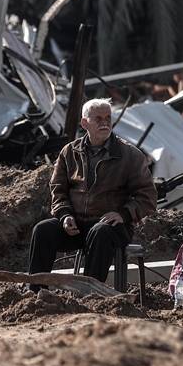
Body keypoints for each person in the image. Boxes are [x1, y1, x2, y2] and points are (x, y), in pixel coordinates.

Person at [28, 98, 156, 284]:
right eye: (98, 118)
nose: (105, 123)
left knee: (100, 232)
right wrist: (65, 215)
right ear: (84, 123)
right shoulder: (69, 152)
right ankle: (36, 292)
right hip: (77, 225)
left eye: (108, 118)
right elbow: (58, 190)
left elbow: (148, 196)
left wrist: (124, 214)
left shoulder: (130, 155)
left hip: (112, 227)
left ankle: (90, 294)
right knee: (43, 230)